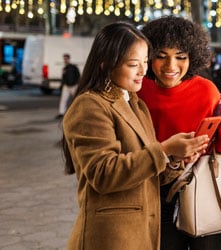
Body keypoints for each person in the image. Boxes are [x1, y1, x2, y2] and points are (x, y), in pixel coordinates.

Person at [61, 21, 209, 250]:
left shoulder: (135, 104)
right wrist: (164, 150)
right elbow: (103, 174)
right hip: (110, 236)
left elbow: (149, 174)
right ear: (105, 65)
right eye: (133, 64)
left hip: (141, 233)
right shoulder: (90, 105)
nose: (143, 71)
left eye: (144, 62)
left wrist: (176, 158)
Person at [138, 16, 221, 250]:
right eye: (161, 56)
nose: (171, 66)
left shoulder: (206, 90)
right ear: (148, 57)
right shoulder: (139, 89)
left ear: (193, 57)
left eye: (181, 57)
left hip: (204, 188)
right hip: (153, 193)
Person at [56, 53, 80, 119]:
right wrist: (62, 85)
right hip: (66, 86)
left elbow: (78, 76)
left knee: (76, 100)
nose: (65, 60)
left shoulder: (73, 67)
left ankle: (78, 112)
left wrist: (77, 84)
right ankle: (61, 113)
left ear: (69, 59)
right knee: (63, 100)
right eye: (64, 59)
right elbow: (63, 78)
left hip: (74, 86)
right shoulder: (64, 68)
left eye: (66, 59)